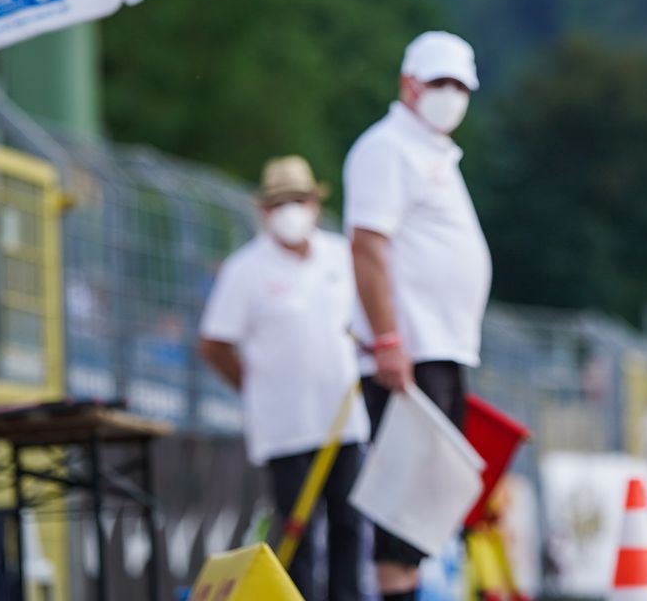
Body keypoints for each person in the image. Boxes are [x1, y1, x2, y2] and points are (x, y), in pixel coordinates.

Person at [344, 29, 491, 601]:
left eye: (460, 86)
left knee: (427, 503)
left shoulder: (433, 155)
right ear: (409, 85)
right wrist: (386, 339)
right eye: (440, 83)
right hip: (411, 349)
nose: (450, 95)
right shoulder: (388, 148)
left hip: (443, 346)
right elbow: (368, 245)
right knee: (404, 508)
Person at [199, 155, 368, 601]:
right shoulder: (246, 269)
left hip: (342, 420)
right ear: (264, 210)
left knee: (349, 524)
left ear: (314, 203)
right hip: (284, 426)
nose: (291, 210)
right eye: (281, 202)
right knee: (296, 531)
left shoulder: (340, 255)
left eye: (298, 199)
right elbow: (215, 343)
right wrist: (253, 388)